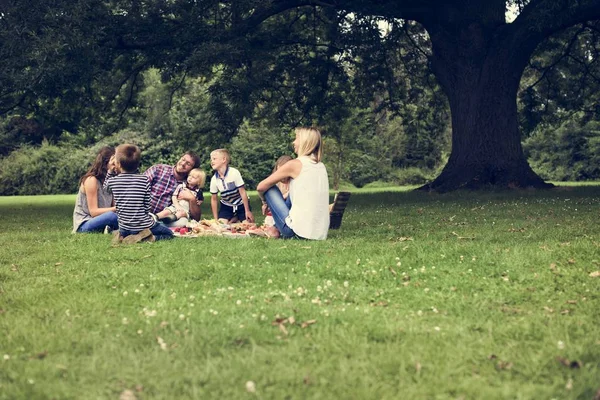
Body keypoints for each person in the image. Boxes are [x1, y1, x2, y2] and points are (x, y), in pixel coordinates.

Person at [256, 127, 329, 240]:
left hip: (296, 232)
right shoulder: (321, 166)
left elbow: (261, 187)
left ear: (305, 142)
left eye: (296, 138)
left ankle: (276, 229)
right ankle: (275, 228)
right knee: (295, 192)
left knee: (269, 188)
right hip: (319, 234)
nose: (293, 142)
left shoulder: (295, 164)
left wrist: (264, 202)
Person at [105, 144, 174, 243]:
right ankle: (148, 238)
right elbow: (147, 205)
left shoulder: (113, 181)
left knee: (124, 229)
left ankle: (123, 235)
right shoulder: (144, 179)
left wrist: (110, 171)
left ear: (118, 164)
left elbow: (106, 189)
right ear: (138, 164)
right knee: (168, 234)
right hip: (143, 225)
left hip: (124, 227)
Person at [144, 151, 201, 224]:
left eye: (188, 164)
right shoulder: (159, 169)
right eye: (183, 159)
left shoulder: (191, 184)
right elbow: (137, 189)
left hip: (165, 220)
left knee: (183, 222)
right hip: (143, 213)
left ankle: (156, 225)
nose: (183, 164)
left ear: (192, 169)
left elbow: (196, 219)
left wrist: (192, 199)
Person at [72, 146, 119, 233]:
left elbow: (114, 206)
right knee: (112, 216)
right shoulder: (91, 180)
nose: (116, 167)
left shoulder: (111, 180)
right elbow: (94, 212)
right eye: (113, 164)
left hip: (103, 221)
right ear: (105, 163)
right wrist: (118, 208)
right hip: (84, 224)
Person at [209, 148, 254, 223]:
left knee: (247, 224)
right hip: (226, 206)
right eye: (211, 160)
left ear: (224, 160)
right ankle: (234, 218)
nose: (212, 161)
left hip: (241, 204)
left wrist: (247, 211)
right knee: (221, 224)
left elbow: (242, 192)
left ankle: (237, 218)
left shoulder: (234, 173)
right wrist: (216, 219)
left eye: (214, 159)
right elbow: (214, 199)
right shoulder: (214, 179)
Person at [263, 155, 293, 227]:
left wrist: (284, 196)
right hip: (276, 215)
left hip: (290, 215)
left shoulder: (293, 182)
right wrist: (265, 204)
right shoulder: (276, 183)